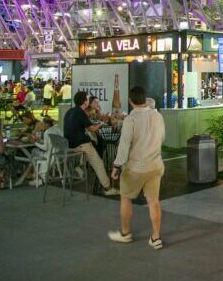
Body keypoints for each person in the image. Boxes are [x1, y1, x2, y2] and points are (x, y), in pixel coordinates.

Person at [108, 86, 166, 249]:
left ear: (130, 101)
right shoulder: (157, 116)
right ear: (145, 99)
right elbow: (162, 138)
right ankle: (156, 238)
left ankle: (125, 233)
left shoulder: (130, 120)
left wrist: (116, 166)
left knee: (126, 198)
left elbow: (124, 146)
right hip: (155, 165)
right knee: (153, 201)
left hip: (136, 167)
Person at [63, 91, 119, 196]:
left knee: (92, 146)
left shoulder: (70, 111)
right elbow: (92, 128)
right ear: (84, 102)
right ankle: (108, 188)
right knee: (98, 163)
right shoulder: (81, 112)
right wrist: (102, 122)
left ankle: (79, 166)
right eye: (88, 99)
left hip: (68, 145)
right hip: (80, 145)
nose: (89, 101)